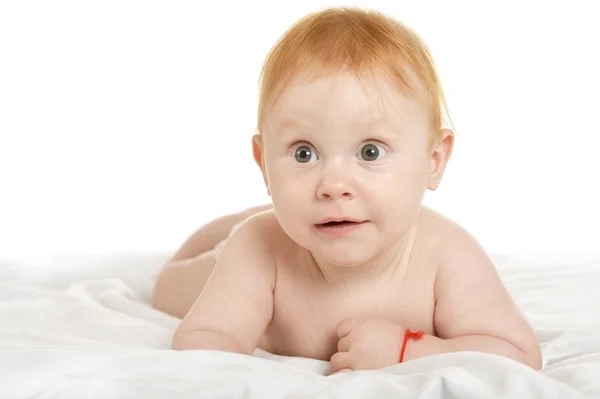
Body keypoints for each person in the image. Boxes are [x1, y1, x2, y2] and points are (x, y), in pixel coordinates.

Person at [152, 6, 542, 372]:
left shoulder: (446, 256)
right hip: (235, 253)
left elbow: (519, 352)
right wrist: (214, 352)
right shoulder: (258, 249)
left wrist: (408, 349)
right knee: (167, 289)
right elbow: (208, 337)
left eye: (370, 151)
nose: (334, 185)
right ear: (264, 165)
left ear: (434, 160)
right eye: (304, 153)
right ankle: (231, 228)